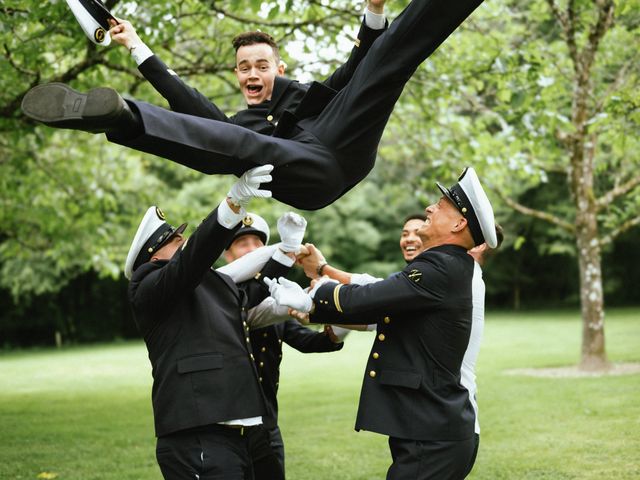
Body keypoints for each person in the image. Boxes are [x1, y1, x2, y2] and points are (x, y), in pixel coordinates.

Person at [21, 0, 485, 210]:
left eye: (261, 65)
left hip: (342, 139)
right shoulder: (243, 127)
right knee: (223, 143)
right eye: (243, 68)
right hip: (301, 176)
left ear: (278, 68)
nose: (251, 74)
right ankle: (122, 116)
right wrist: (137, 46)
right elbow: (188, 102)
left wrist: (375, 8)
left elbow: (359, 65)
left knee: (384, 62)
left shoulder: (306, 95)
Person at [266, 167, 498, 479]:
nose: (430, 208)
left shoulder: (441, 267)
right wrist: (321, 283)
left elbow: (373, 297)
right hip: (433, 428)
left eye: (441, 206)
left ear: (458, 223)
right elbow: (383, 303)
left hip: (433, 434)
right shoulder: (450, 266)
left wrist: (313, 299)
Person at [125, 165, 301, 480]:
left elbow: (253, 290)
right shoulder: (148, 283)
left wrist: (287, 253)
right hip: (199, 429)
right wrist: (232, 204)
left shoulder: (208, 285)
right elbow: (192, 259)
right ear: (153, 255)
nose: (183, 240)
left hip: (245, 426)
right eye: (175, 240)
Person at [222, 212, 344, 479]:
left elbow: (308, 341)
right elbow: (248, 312)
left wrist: (341, 327)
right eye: (244, 244)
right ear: (227, 256)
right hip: (227, 428)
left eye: (258, 244)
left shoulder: (274, 297)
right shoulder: (217, 300)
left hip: (266, 422)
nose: (253, 249)